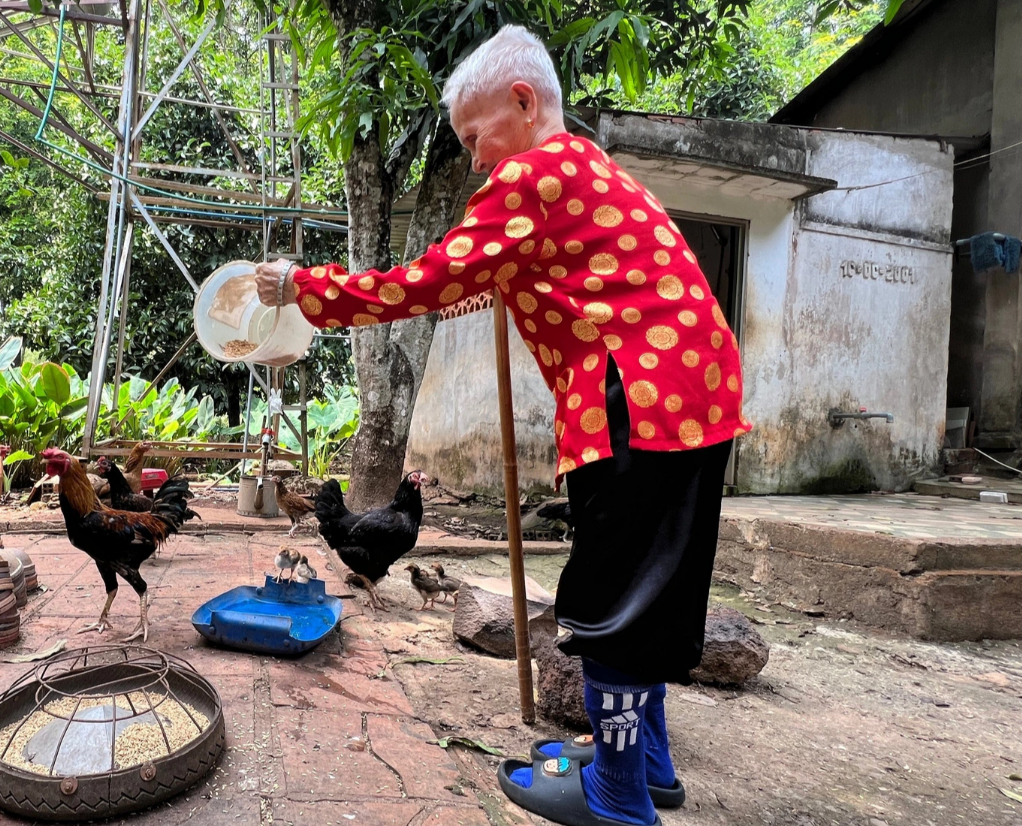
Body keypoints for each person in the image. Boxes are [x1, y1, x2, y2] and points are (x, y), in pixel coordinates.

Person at [255, 24, 749, 826]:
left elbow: (423, 283)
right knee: (649, 591)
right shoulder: (588, 167)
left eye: (475, 136)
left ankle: (618, 800)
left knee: (612, 602)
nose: (476, 160)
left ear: (523, 102)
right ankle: (644, 763)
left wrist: (300, 287)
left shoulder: (534, 174)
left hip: (635, 398)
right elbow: (484, 282)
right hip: (693, 392)